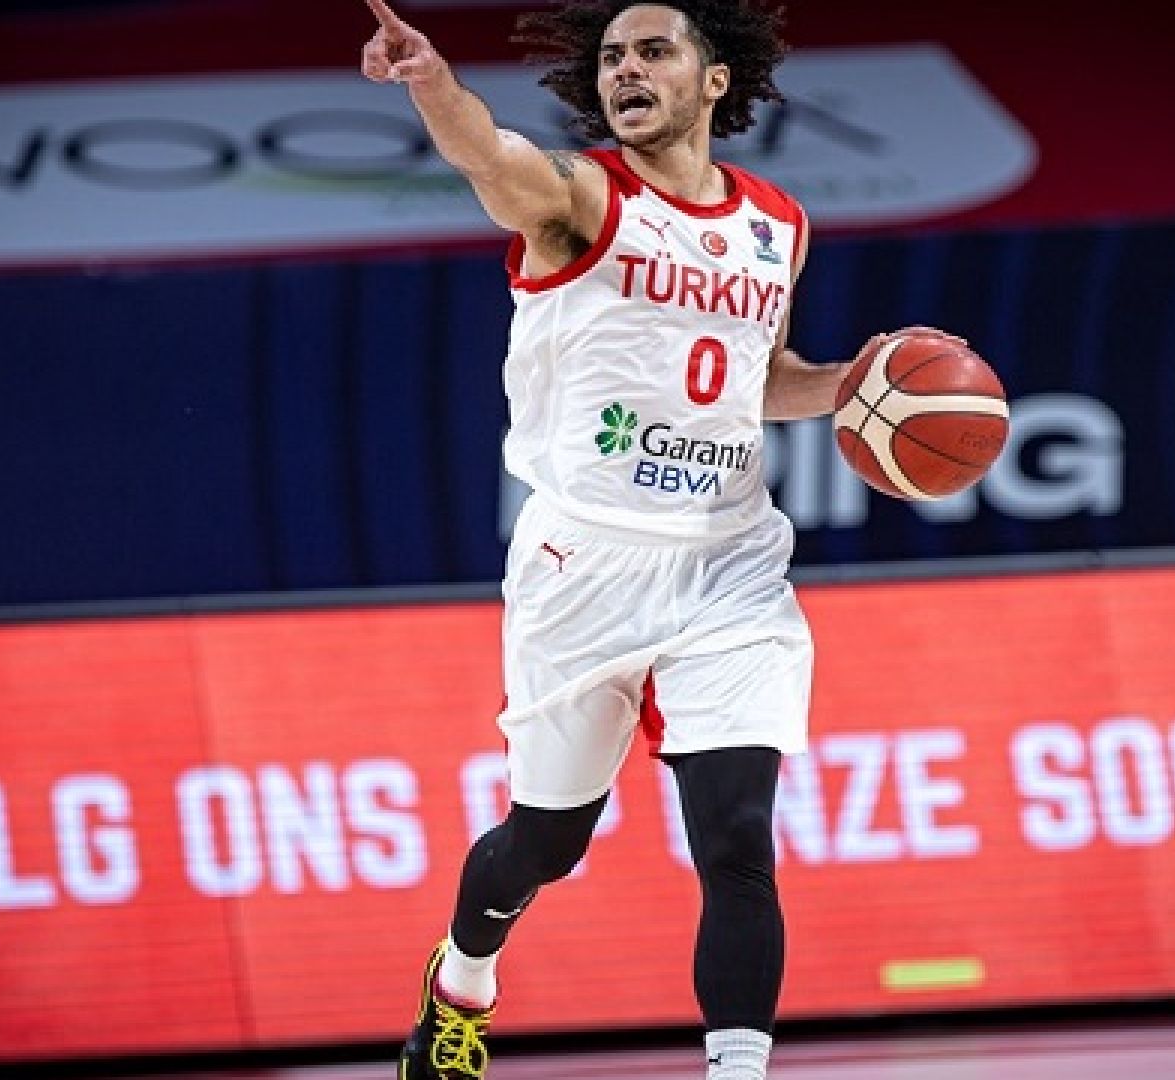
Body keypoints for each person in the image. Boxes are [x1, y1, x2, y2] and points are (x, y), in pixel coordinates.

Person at [360, 2, 885, 1076]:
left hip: (729, 560)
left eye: (653, 51)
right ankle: (464, 981)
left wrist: (858, 386)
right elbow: (488, 155)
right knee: (547, 841)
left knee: (736, 838)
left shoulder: (778, 223)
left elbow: (762, 382)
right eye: (612, 58)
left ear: (715, 78)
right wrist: (431, 84)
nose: (627, 72)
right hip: (584, 563)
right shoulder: (580, 197)